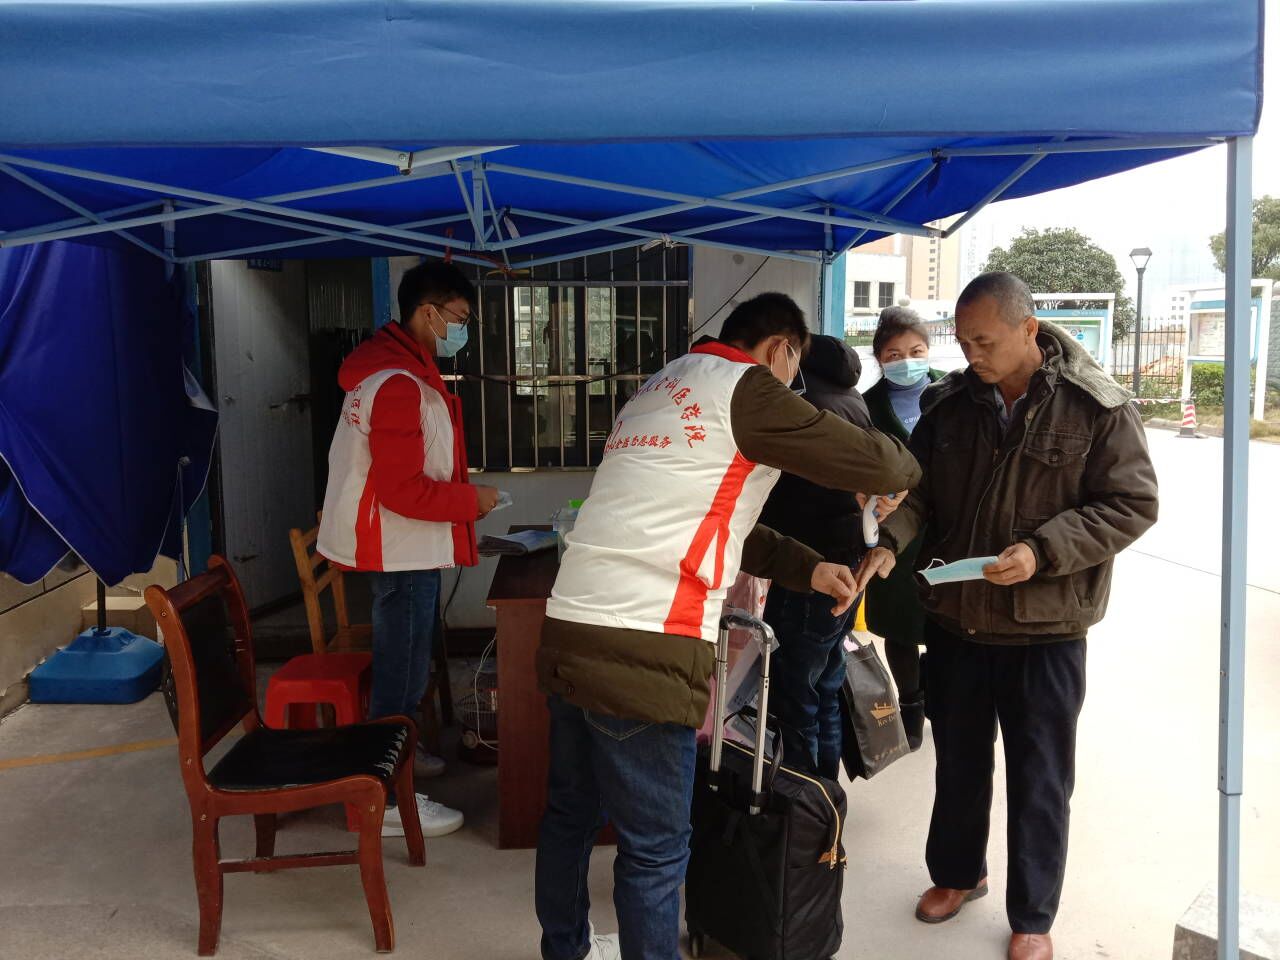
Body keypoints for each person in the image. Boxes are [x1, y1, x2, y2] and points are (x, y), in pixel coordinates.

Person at [535, 292, 921, 960]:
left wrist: (808, 568)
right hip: (647, 640)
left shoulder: (664, 384)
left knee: (570, 813)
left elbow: (713, 519)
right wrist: (907, 471)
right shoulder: (747, 387)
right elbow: (885, 464)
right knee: (656, 848)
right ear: (782, 350)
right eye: (793, 370)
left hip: (570, 625)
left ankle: (565, 949)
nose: (794, 388)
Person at [854, 273, 1158, 960]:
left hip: (1045, 630)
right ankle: (959, 875)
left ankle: (1033, 914)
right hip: (958, 621)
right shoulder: (950, 404)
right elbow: (919, 494)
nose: (972, 355)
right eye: (963, 342)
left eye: (984, 341)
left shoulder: (1096, 406)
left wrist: (1043, 550)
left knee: (1040, 775)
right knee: (959, 763)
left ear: (1028, 329)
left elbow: (1132, 503)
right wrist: (890, 541)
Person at [318, 261, 500, 839]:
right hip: (399, 548)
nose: (462, 331)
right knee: (401, 674)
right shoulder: (396, 383)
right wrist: (472, 501)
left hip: (405, 546)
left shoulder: (397, 373)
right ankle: (383, 798)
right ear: (428, 312)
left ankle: (399, 752)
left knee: (408, 664)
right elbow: (402, 490)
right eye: (459, 319)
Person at [756, 333, 902, 778]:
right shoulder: (851, 398)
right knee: (826, 685)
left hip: (812, 565)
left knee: (796, 694)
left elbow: (791, 493)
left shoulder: (803, 406)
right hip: (848, 554)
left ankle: (807, 802)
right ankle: (828, 802)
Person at [861, 306, 946, 749]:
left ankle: (938, 694)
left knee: (947, 621)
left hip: (948, 530)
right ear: (880, 358)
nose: (907, 361)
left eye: (916, 351)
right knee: (899, 625)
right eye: (894, 355)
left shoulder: (954, 391)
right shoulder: (866, 407)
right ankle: (910, 704)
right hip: (891, 531)